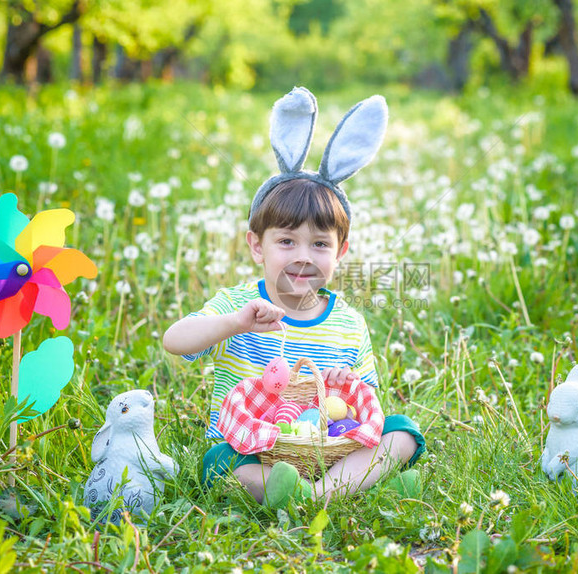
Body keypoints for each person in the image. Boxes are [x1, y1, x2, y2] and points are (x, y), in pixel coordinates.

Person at [162, 88, 426, 508]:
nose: (303, 257)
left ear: (340, 251)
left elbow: (366, 412)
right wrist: (236, 324)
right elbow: (174, 340)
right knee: (220, 464)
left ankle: (313, 494)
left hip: (329, 448)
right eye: (286, 241)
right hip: (253, 450)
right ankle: (344, 492)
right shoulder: (238, 304)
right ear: (256, 246)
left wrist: (348, 386)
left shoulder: (349, 323)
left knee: (402, 433)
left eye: (320, 244)